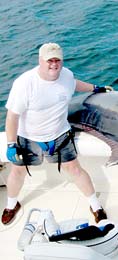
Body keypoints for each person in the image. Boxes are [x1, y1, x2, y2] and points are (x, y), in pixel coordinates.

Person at [2, 42, 110, 225]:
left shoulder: (66, 75)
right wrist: (11, 144)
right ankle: (11, 205)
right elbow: (12, 117)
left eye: (57, 60)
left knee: (75, 169)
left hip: (60, 135)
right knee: (17, 172)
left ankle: (96, 206)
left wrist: (96, 88)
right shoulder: (24, 83)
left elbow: (75, 84)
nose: (54, 64)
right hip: (29, 138)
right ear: (40, 61)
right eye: (49, 60)